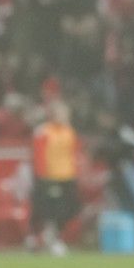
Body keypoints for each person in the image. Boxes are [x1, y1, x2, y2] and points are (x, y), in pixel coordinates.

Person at [30, 101, 80, 256]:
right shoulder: (43, 132)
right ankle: (52, 239)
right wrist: (41, 176)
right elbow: (38, 155)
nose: (63, 116)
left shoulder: (70, 132)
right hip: (50, 176)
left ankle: (49, 237)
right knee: (51, 211)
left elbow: (74, 154)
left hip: (68, 176)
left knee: (68, 210)